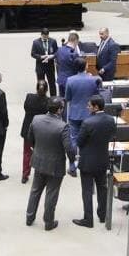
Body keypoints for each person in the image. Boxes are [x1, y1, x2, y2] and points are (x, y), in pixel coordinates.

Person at [25, 97, 75, 231]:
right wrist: (72, 161)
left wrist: (38, 149)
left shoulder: (36, 119)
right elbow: (69, 148)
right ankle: (48, 222)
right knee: (51, 193)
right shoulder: (63, 126)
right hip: (55, 165)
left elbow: (30, 138)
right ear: (59, 110)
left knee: (35, 190)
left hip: (39, 160)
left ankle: (29, 217)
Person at [72, 96, 116, 228]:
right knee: (102, 189)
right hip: (102, 160)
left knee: (87, 191)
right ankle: (102, 216)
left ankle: (88, 219)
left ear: (96, 107)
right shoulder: (111, 120)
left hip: (87, 161)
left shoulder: (87, 122)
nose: (87, 107)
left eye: (89, 105)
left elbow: (79, 141)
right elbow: (112, 135)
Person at [65, 57, 101, 162]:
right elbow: (97, 96)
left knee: (73, 139)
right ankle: (85, 160)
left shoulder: (70, 80)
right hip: (89, 114)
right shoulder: (93, 79)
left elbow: (67, 98)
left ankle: (73, 163)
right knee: (88, 139)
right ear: (86, 66)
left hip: (74, 114)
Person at [20, 81, 49, 184]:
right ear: (47, 90)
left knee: (27, 153)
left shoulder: (29, 97)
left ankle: (25, 175)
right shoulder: (47, 101)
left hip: (28, 129)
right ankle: (40, 174)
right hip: (41, 130)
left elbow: (25, 108)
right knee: (41, 153)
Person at [31, 28, 58, 95]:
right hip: (40, 66)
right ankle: (41, 97)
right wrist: (41, 57)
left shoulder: (53, 41)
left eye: (47, 36)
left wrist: (52, 56)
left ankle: (53, 98)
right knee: (41, 84)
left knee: (52, 83)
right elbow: (33, 54)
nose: (46, 37)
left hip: (50, 66)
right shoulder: (36, 42)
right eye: (44, 36)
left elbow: (57, 52)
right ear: (41, 35)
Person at [55, 32, 80, 96]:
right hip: (70, 81)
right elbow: (78, 68)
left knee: (62, 99)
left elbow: (57, 62)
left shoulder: (59, 50)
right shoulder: (74, 54)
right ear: (76, 41)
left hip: (61, 79)